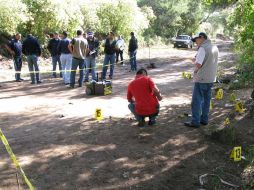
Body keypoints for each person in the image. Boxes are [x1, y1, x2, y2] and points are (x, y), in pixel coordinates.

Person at [184, 32, 219, 128]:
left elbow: (198, 64)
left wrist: (194, 65)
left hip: (202, 78)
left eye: (196, 40)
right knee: (206, 100)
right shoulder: (214, 47)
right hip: (211, 78)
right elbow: (209, 62)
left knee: (197, 101)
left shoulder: (203, 48)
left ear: (202, 38)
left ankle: (195, 122)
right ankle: (204, 120)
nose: (196, 43)